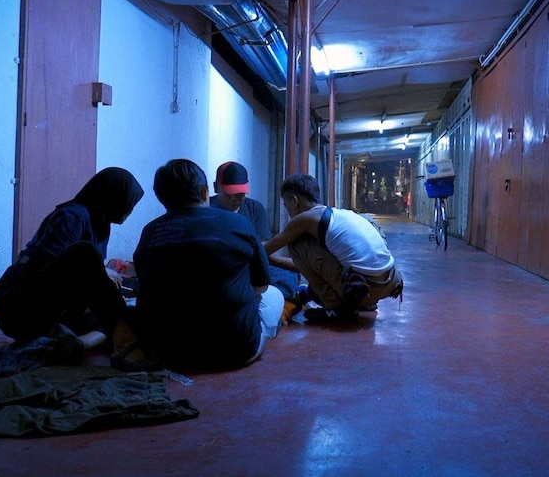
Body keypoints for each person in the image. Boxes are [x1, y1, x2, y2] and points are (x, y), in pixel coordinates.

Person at [0, 167, 155, 369]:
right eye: (129, 203)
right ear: (113, 196)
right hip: (18, 307)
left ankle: (79, 343)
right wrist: (97, 283)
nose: (130, 210)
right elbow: (46, 270)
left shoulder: (99, 224)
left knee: (127, 312)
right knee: (88, 259)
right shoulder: (72, 216)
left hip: (51, 310)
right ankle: (125, 339)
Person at [133, 158, 284, 371]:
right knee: (274, 295)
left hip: (168, 352)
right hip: (235, 349)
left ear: (161, 198)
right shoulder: (239, 223)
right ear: (207, 191)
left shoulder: (150, 232)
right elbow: (261, 286)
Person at [264, 173, 404, 324]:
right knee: (313, 291)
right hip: (388, 283)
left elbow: (265, 250)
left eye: (286, 205)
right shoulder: (341, 215)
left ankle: (335, 309)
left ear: (295, 200)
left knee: (297, 243)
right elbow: (307, 267)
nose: (288, 211)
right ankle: (362, 302)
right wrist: (273, 261)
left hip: (367, 285)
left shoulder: (304, 219)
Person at [210, 161, 303, 321]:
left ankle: (284, 305)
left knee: (289, 275)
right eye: (229, 193)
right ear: (216, 187)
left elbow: (264, 248)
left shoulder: (254, 208)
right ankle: (281, 304)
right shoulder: (206, 208)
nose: (235, 199)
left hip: (249, 266)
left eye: (240, 194)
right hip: (220, 268)